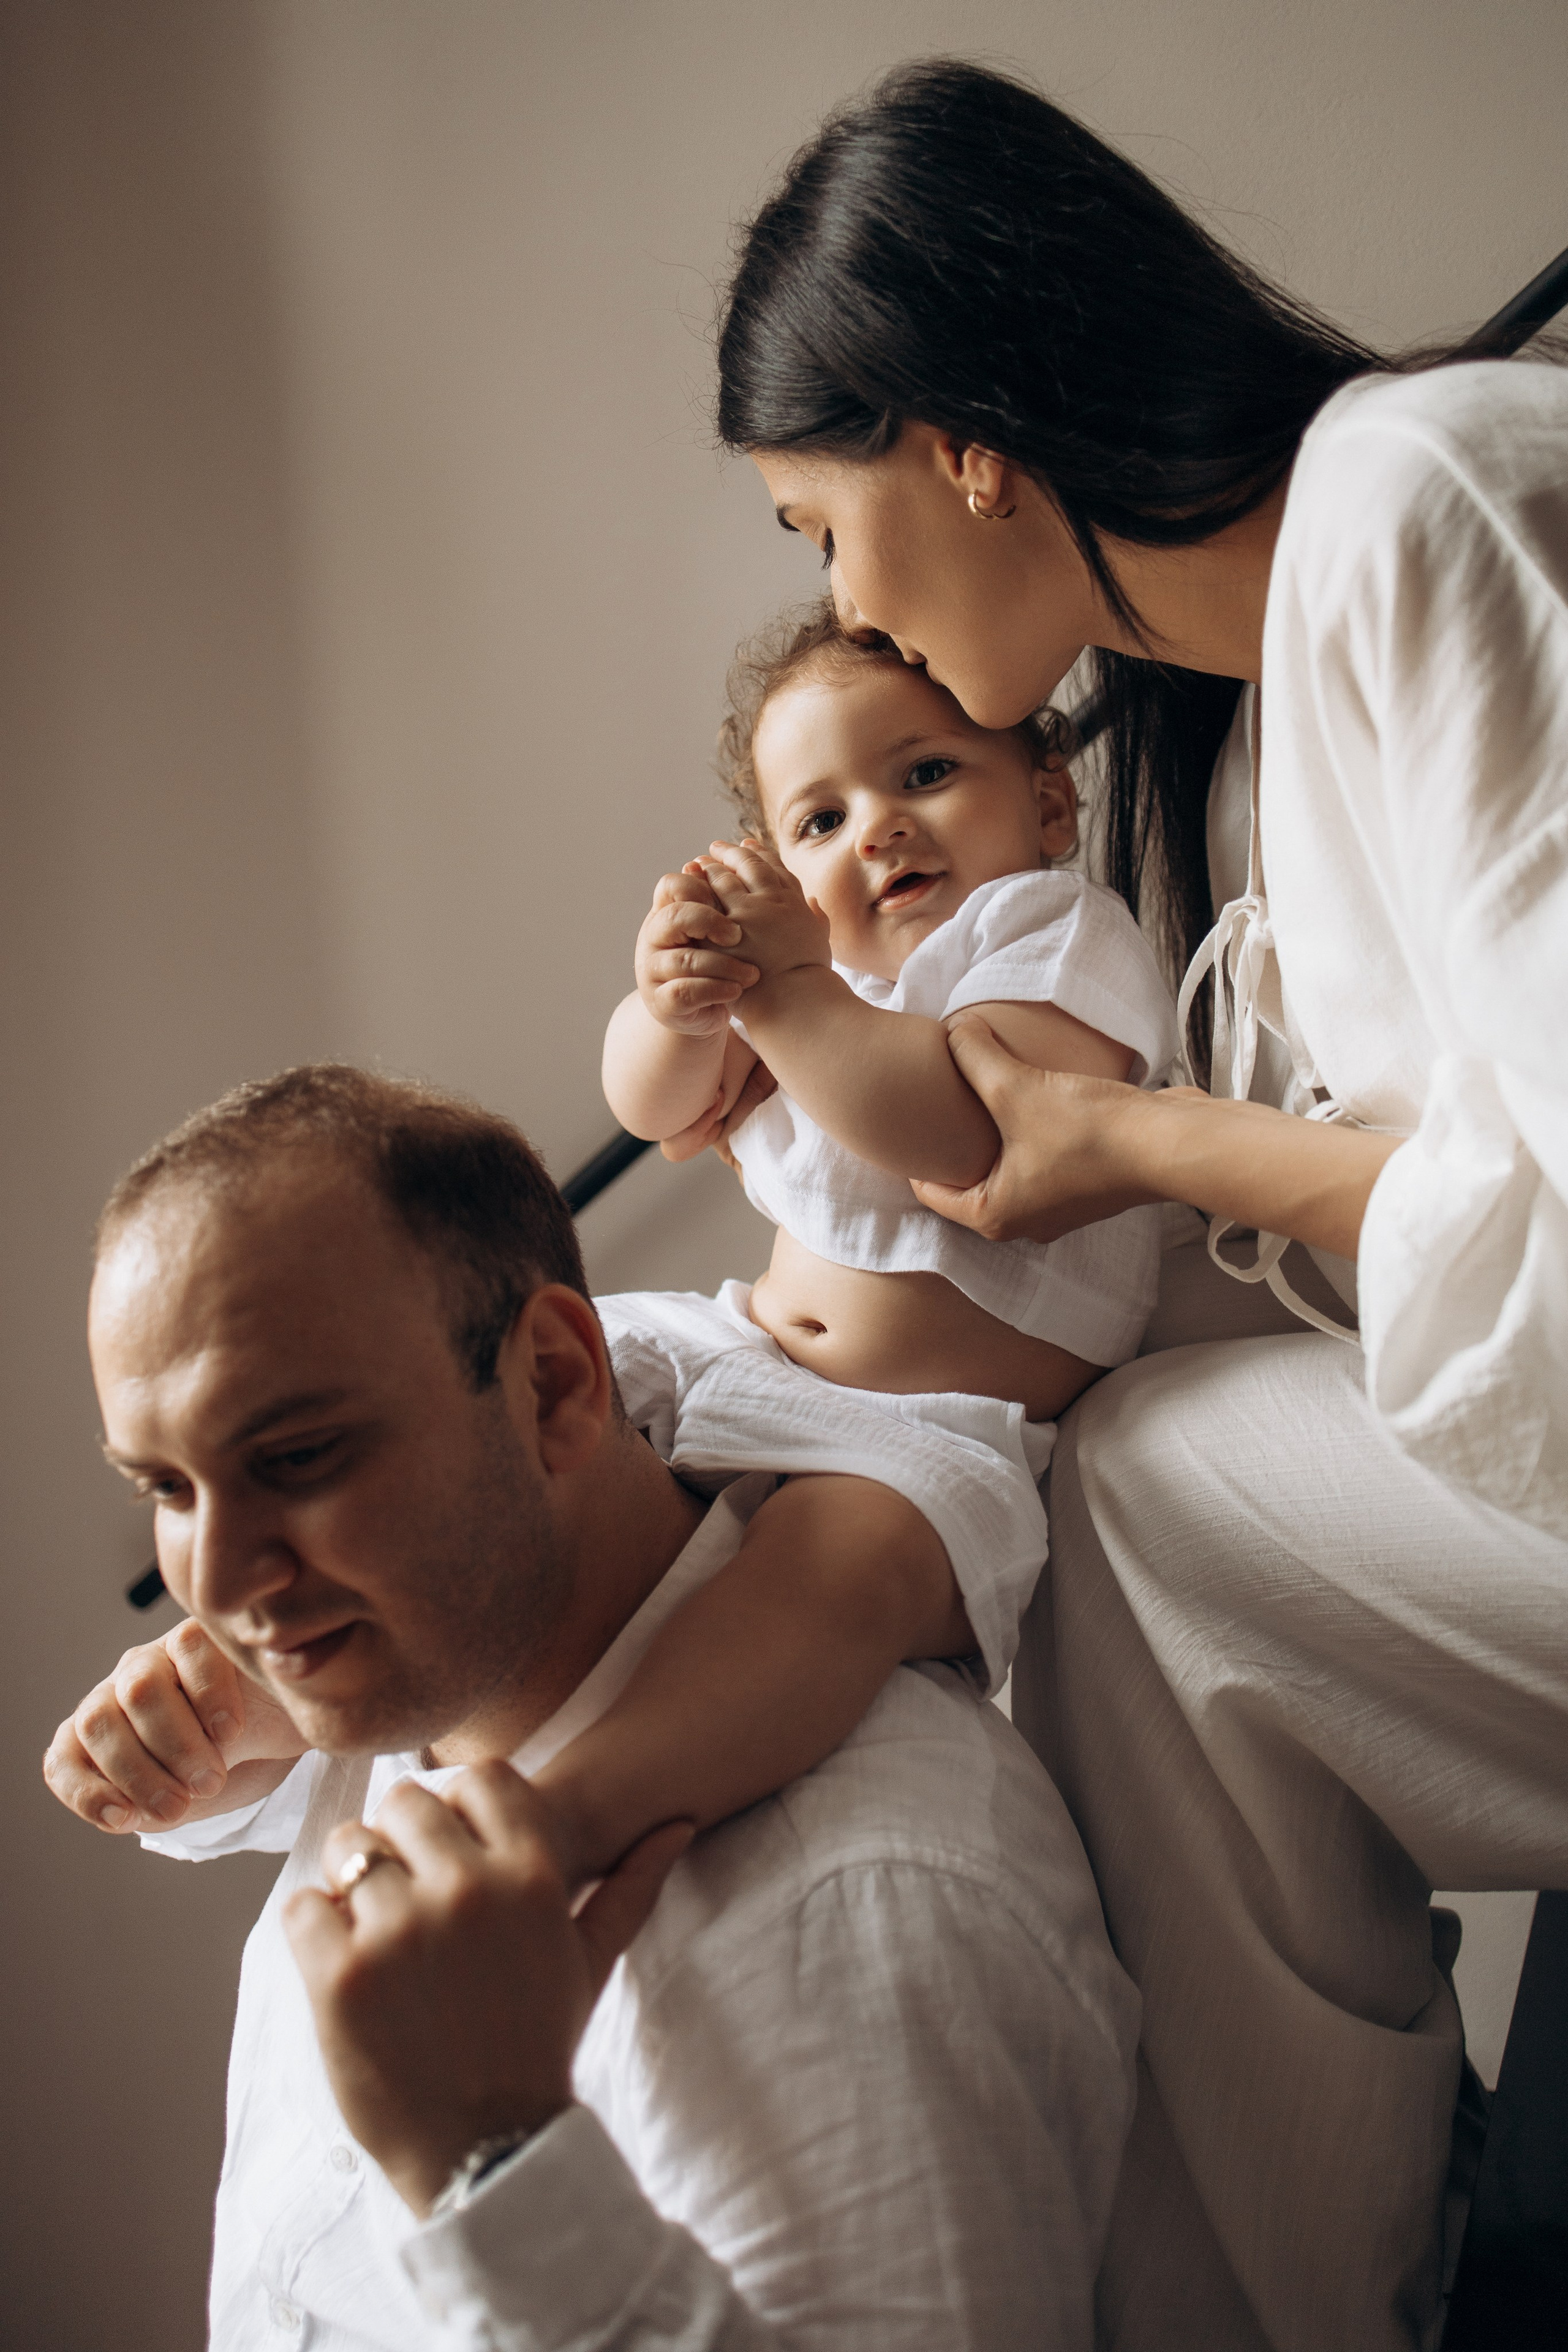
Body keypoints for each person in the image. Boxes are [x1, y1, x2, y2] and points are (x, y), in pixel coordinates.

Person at [711, 54, 1568, 2352]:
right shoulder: (1248, 732)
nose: (842, 601)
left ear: (962, 446)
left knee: (1152, 1508)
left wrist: (1142, 1148)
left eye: (824, 526)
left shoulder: (1426, 500)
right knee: (1112, 1448)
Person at [45, 1064, 1138, 2350]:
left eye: (296, 1457)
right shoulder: (406, 1683)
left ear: (558, 1385)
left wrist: (496, 2174)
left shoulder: (865, 1899)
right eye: (167, 1489)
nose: (218, 1586)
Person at [603, 599, 1177, 1419]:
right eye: (823, 821)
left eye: (926, 774)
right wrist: (676, 1009)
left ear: (1049, 804)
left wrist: (788, 994)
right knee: (567, 1367)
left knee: (837, 1546)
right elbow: (656, 1112)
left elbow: (973, 1136)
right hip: (757, 1346)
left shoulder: (1053, 932)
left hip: (931, 1422)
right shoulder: (823, 971)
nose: (875, 830)